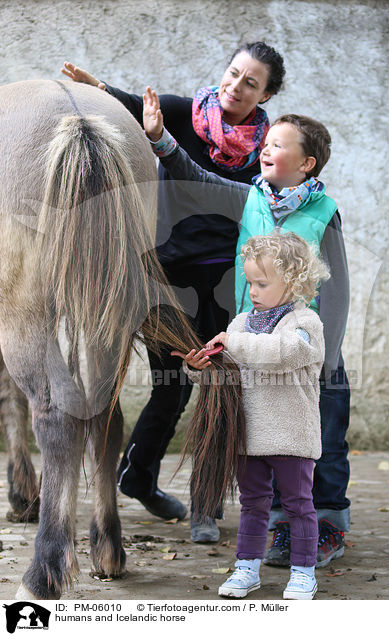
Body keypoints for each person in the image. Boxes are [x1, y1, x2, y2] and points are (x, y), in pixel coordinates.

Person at [62, 42, 286, 542]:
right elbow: (132, 105)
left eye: (251, 83)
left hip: (231, 278)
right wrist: (94, 86)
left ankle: (206, 505)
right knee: (172, 384)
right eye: (233, 74)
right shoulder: (184, 113)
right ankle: (137, 475)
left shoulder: (269, 146)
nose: (236, 86)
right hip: (169, 274)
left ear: (266, 93)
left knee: (223, 388)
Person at [142, 87, 351, 567]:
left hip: (306, 350)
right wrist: (160, 140)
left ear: (307, 165)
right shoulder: (251, 197)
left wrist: (327, 361)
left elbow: (336, 291)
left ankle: (330, 526)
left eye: (278, 144)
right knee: (276, 438)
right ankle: (284, 528)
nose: (267, 149)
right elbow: (197, 179)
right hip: (259, 345)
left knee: (324, 439)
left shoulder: (323, 212)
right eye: (267, 143)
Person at [174, 231, 330, 600]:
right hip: (249, 436)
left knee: (298, 505)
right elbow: (227, 368)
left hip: (292, 436)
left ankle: (303, 571)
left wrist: (233, 343)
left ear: (293, 280)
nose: (254, 290)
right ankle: (247, 567)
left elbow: (283, 353)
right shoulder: (242, 322)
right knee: (253, 504)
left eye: (263, 283)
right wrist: (200, 366)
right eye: (250, 282)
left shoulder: (305, 324)